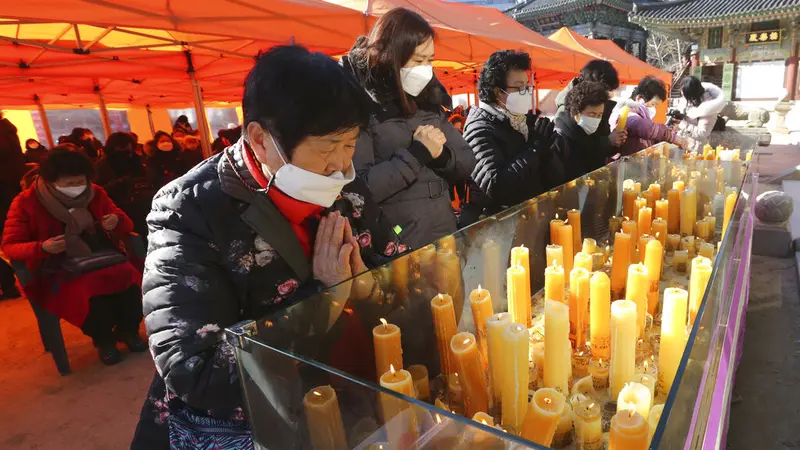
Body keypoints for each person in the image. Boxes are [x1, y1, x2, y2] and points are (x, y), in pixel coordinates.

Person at [130, 45, 406, 449]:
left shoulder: (346, 185)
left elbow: (399, 263)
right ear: (260, 139)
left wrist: (366, 284)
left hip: (355, 404)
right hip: (268, 426)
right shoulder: (189, 210)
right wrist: (323, 299)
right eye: (328, 146)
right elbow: (195, 370)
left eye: (350, 143)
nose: (340, 164)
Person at [343, 8, 476, 249]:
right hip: (397, 245)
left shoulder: (430, 102)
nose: (426, 69)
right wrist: (416, 155)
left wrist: (441, 155)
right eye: (417, 60)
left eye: (430, 60)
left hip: (444, 233)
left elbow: (467, 161)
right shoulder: (361, 107)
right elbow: (359, 190)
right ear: (390, 56)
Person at [1, 148, 145, 364]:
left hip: (101, 255)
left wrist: (116, 221)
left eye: (81, 182)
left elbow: (126, 223)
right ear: (51, 180)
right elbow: (10, 245)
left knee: (130, 277)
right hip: (55, 265)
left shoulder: (95, 192)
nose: (76, 188)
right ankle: (104, 340)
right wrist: (42, 247)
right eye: (69, 184)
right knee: (87, 289)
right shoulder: (27, 202)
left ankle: (128, 330)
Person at [462, 50, 562, 222]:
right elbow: (496, 186)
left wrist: (547, 150)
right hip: (501, 226)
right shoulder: (478, 129)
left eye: (527, 87)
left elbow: (554, 177)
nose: (526, 93)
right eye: (518, 87)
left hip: (530, 217)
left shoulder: (523, 123)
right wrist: (535, 148)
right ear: (497, 91)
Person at [556, 60, 627, 153]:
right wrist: (608, 141)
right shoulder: (567, 108)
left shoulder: (599, 104)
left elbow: (602, 137)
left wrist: (615, 141)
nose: (607, 95)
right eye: (605, 90)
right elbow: (577, 145)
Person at [610, 76, 687, 155]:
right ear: (639, 98)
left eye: (655, 105)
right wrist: (670, 137)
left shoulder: (642, 115)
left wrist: (669, 131)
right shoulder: (627, 110)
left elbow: (650, 136)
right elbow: (644, 127)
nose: (653, 108)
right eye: (652, 104)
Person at [95, 132, 153, 237]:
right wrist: (118, 184)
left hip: (142, 206)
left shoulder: (136, 161)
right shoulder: (102, 166)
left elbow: (149, 179)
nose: (127, 156)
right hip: (119, 209)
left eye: (129, 152)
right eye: (123, 152)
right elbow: (98, 190)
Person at [553, 81, 613, 181]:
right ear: (576, 112)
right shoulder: (559, 138)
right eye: (592, 114)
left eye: (599, 115)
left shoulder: (591, 133)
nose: (596, 120)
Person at [0, 111, 26, 300]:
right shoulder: (8, 131)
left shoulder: (4, 135)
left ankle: (9, 285)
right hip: (9, 194)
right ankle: (11, 284)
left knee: (7, 241)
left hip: (4, 194)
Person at [676, 76, 726, 153]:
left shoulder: (709, 108)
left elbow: (702, 133)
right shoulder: (689, 99)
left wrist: (681, 124)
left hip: (696, 149)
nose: (684, 98)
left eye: (685, 96)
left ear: (692, 95)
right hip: (683, 143)